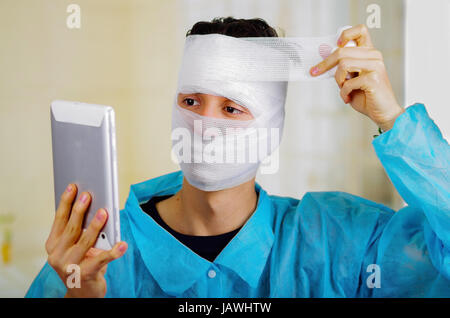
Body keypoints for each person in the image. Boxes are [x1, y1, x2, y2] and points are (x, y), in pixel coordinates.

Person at [26, 17, 449, 298]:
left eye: (232, 108)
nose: (205, 124)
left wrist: (392, 118)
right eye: (191, 100)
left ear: (272, 128)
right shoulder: (98, 255)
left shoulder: (339, 241)